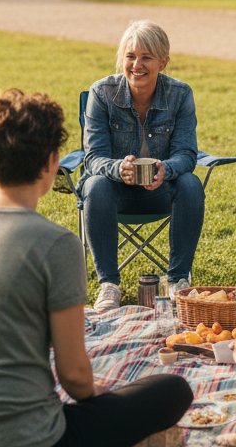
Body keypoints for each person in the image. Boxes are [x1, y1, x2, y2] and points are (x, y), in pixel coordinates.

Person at [0, 89, 193, 447]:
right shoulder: (55, 244)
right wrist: (107, 401)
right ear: (51, 164)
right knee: (173, 390)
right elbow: (75, 378)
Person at [79, 20, 204, 312]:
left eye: (147, 57)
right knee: (95, 183)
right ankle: (109, 284)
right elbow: (93, 157)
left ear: (163, 61)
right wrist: (116, 169)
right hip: (112, 193)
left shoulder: (180, 95)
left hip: (159, 190)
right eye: (130, 56)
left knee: (190, 183)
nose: (137, 64)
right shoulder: (102, 93)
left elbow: (186, 153)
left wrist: (166, 170)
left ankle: (178, 281)